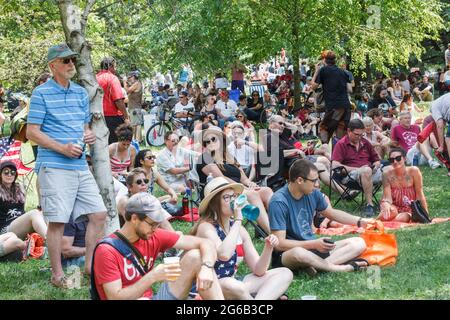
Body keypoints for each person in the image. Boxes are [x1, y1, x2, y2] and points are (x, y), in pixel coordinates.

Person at [27, 43, 107, 287]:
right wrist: (62, 148)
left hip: (79, 164)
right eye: (65, 61)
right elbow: (32, 132)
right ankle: (57, 275)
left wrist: (88, 135)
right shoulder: (40, 93)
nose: (71, 64)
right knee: (58, 221)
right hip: (53, 165)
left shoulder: (80, 93)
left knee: (99, 214)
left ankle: (89, 267)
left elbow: (84, 128)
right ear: (53, 66)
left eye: (72, 60)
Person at [93, 192, 224, 300]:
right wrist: (153, 276)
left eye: (158, 224)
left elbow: (206, 243)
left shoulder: (153, 235)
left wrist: (207, 267)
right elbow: (114, 297)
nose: (156, 228)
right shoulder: (106, 250)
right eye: (152, 224)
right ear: (134, 218)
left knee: (196, 257)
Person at [191, 177, 293, 299]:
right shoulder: (206, 227)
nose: (233, 201)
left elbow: (258, 270)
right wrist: (238, 219)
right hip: (209, 286)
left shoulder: (238, 229)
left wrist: (268, 248)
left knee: (285, 273)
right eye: (227, 197)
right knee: (234, 286)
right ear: (214, 203)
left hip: (233, 282)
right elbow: (224, 255)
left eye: (234, 196)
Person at [269, 159, 373, 274]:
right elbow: (279, 244)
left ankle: (316, 266)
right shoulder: (279, 201)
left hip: (312, 248)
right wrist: (313, 244)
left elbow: (332, 213)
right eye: (313, 181)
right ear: (299, 180)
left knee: (359, 243)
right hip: (288, 253)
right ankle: (341, 268)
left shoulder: (312, 193)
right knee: (298, 253)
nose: (317, 184)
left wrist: (360, 221)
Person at [196, 126, 272, 235]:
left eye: (213, 139)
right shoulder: (204, 158)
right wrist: (244, 188)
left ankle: (279, 228)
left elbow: (243, 177)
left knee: (267, 191)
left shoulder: (229, 157)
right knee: (252, 195)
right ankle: (272, 234)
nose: (210, 142)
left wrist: (249, 183)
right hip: (220, 194)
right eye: (206, 141)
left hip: (237, 190)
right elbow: (221, 178)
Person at [331, 119, 382, 217]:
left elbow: (376, 160)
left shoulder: (365, 142)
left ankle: (388, 202)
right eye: (356, 134)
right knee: (366, 170)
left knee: (389, 170)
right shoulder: (341, 144)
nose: (359, 137)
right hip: (350, 176)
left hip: (370, 172)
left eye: (361, 135)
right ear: (349, 131)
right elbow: (335, 165)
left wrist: (375, 166)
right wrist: (358, 170)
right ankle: (369, 205)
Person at [0, 162, 47, 258]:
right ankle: (51, 242)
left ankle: (56, 240)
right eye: (6, 172)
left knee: (43, 213)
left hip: (20, 225)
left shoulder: (19, 188)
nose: (9, 175)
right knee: (34, 213)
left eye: (12, 172)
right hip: (6, 230)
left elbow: (22, 211)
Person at [311, 51, 352, 144]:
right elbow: (350, 89)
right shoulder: (343, 72)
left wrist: (316, 71)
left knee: (323, 128)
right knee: (340, 130)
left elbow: (313, 87)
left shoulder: (323, 70)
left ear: (324, 60)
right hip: (346, 106)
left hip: (333, 107)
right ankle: (339, 155)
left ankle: (325, 148)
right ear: (335, 61)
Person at [382, 148, 429, 224]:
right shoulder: (386, 174)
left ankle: (383, 224)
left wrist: (425, 214)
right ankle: (372, 222)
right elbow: (387, 197)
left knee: (403, 217)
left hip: (410, 208)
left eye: (398, 158)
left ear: (404, 158)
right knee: (390, 212)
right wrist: (386, 203)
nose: (395, 162)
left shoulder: (414, 171)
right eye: (391, 160)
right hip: (394, 206)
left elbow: (420, 194)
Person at [96, 57, 129, 144]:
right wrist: (126, 117)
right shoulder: (112, 78)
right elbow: (118, 100)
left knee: (101, 144)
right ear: (110, 66)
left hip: (96, 117)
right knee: (114, 146)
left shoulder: (95, 78)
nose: (115, 69)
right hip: (112, 118)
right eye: (114, 66)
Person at [124, 71, 143, 143]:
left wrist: (124, 82)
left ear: (134, 77)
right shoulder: (136, 84)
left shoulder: (137, 83)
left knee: (136, 124)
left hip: (135, 107)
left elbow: (127, 90)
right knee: (135, 124)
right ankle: (138, 140)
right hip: (134, 107)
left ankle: (137, 140)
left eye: (130, 77)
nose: (129, 79)